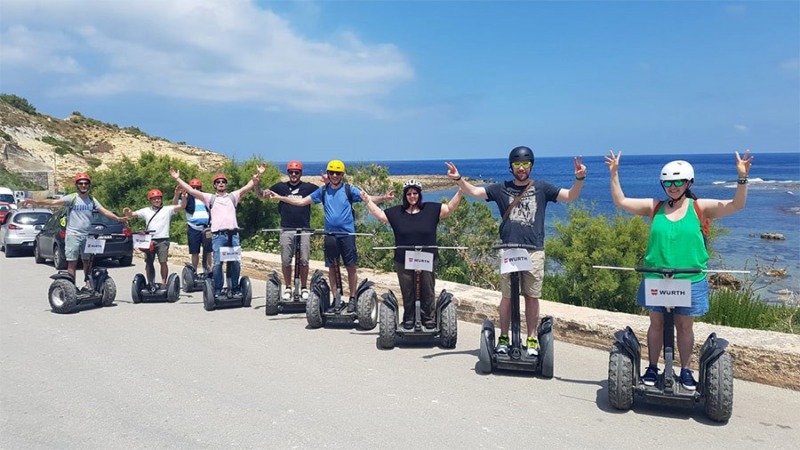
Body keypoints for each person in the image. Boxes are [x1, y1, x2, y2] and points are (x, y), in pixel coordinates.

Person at [605, 149, 753, 390]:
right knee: (656, 324)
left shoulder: (699, 208)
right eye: (668, 182)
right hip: (657, 277)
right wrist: (614, 173)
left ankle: (685, 371)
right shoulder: (655, 207)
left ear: (688, 182)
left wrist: (742, 177)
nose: (672, 186)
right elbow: (621, 201)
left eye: (678, 182)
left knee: (685, 326)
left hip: (689, 279)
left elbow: (737, 204)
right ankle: (652, 368)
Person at [446, 146, 586, 356]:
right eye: (517, 164)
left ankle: (531, 338)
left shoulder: (542, 188)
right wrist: (458, 179)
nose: (521, 168)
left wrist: (579, 179)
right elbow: (475, 191)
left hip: (534, 251)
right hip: (509, 250)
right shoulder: (501, 188)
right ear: (511, 167)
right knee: (507, 297)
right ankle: (504, 336)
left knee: (531, 297)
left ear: (531, 166)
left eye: (525, 164)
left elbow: (570, 196)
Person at [265, 159, 392, 312]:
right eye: (331, 172)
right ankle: (336, 299)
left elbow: (367, 198)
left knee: (351, 267)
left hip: (347, 235)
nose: (334, 175)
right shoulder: (323, 191)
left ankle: (352, 299)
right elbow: (302, 202)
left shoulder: (349, 189)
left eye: (337, 173)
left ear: (342, 175)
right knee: (332, 267)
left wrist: (384, 198)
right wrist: (280, 198)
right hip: (330, 235)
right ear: (328, 174)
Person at [362, 177, 463, 329]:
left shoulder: (431, 209)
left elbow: (449, 208)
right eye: (409, 194)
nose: (412, 196)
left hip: (427, 257)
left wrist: (461, 190)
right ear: (405, 196)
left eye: (415, 193)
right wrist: (367, 201)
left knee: (427, 288)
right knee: (407, 289)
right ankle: (408, 317)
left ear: (419, 194)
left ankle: (428, 317)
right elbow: (381, 216)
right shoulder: (398, 212)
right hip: (404, 259)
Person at [170, 164, 266, 296]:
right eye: (218, 182)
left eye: (223, 182)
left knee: (235, 263)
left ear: (226, 184)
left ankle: (235, 288)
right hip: (218, 236)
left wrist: (258, 174)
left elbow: (249, 186)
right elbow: (191, 191)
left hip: (233, 235)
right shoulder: (210, 198)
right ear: (215, 185)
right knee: (217, 264)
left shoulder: (233, 196)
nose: (221, 183)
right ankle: (218, 289)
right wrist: (177, 179)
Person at [22, 172, 127, 286]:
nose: (83, 185)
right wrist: (35, 202)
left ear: (89, 185)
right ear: (77, 185)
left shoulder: (92, 200)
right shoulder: (72, 198)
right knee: (72, 261)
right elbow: (53, 202)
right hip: (73, 235)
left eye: (85, 183)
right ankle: (71, 286)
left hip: (87, 235)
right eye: (81, 183)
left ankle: (89, 285)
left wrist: (118, 218)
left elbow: (104, 211)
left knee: (88, 261)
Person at [266, 161, 318, 300]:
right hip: (286, 228)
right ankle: (288, 287)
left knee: (304, 260)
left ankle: (304, 287)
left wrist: (326, 181)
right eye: (291, 172)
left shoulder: (308, 187)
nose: (294, 175)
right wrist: (257, 183)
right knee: (286, 261)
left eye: (297, 172)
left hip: (304, 229)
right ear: (288, 173)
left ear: (301, 173)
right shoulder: (280, 187)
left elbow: (324, 193)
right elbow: (263, 196)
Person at [123, 189, 185, 288]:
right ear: (150, 200)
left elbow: (181, 206)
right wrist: (127, 212)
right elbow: (132, 215)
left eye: (158, 198)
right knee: (149, 262)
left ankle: (164, 283)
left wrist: (183, 197)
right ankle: (150, 283)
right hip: (149, 239)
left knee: (163, 262)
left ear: (161, 199)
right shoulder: (146, 210)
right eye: (154, 199)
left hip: (163, 239)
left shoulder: (167, 209)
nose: (157, 200)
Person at [173, 178, 212, 275]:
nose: (195, 189)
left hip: (206, 227)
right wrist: (177, 195)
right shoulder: (187, 198)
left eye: (197, 188)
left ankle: (209, 270)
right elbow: (174, 206)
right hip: (193, 227)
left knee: (208, 250)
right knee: (195, 251)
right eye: (193, 188)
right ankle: (194, 271)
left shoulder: (205, 198)